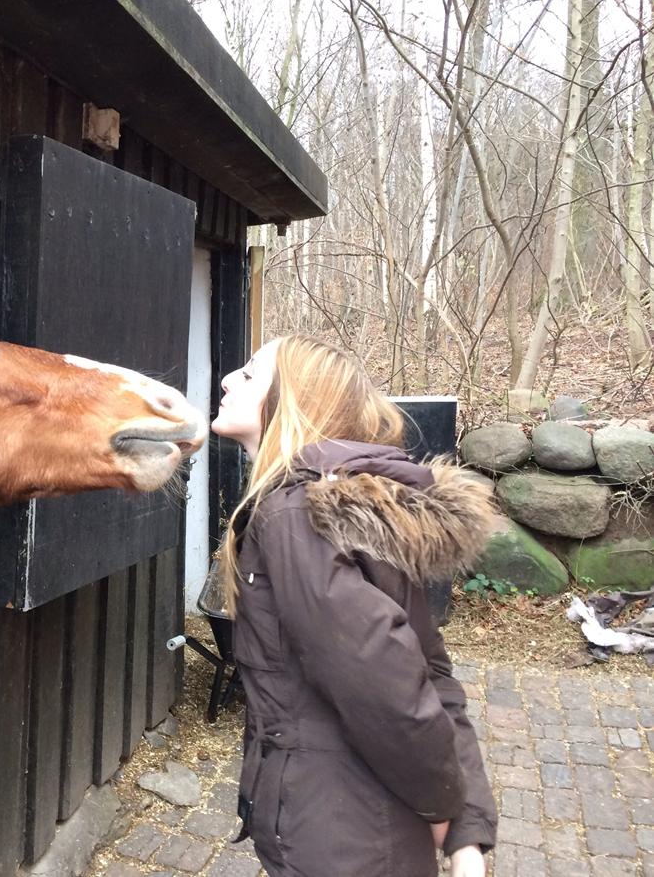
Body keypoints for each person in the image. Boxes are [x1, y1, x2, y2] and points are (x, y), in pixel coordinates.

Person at [212, 335, 497, 877]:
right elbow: (431, 674)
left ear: (294, 400)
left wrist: (447, 812)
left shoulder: (294, 517)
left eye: (250, 375)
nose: (228, 379)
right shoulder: (342, 511)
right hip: (369, 830)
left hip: (342, 842)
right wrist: (465, 826)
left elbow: (390, 692)